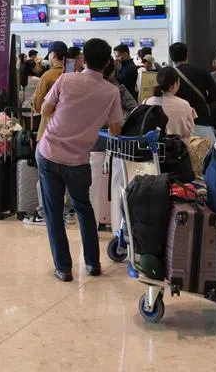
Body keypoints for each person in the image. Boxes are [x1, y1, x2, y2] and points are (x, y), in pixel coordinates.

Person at [37, 38, 123, 282]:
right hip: (79, 161)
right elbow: (115, 130)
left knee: (54, 212)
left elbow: (44, 110)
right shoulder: (112, 91)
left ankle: (64, 268)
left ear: (83, 60)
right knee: (84, 209)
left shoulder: (66, 80)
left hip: (50, 153)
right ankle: (93, 263)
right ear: (107, 63)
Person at [169, 42, 216, 141]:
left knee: (184, 155)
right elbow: (215, 93)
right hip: (202, 120)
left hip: (179, 124)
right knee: (206, 153)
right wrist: (204, 101)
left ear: (171, 58)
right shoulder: (201, 71)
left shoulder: (170, 75)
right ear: (187, 55)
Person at [142, 67, 195, 138]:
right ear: (175, 84)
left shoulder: (147, 101)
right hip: (176, 146)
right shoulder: (185, 105)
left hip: (153, 146)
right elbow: (189, 132)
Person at [32, 41, 68, 142]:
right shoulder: (74, 74)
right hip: (69, 132)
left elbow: (38, 106)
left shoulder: (47, 76)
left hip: (49, 131)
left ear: (53, 55)